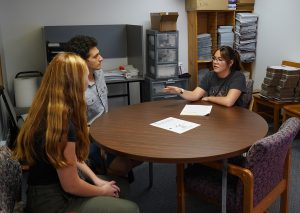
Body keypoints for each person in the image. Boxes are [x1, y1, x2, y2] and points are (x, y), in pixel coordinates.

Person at [13, 53, 139, 213]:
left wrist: (95, 179)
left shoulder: (48, 110)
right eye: (85, 74)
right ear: (73, 81)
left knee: (120, 186)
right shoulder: (62, 124)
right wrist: (102, 191)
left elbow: (71, 159)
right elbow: (71, 185)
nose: (88, 79)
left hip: (44, 191)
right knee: (131, 209)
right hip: (53, 202)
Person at [65, 35, 140, 178]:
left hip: (108, 129)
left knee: (141, 151)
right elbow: (75, 128)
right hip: (89, 138)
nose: (101, 58)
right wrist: (103, 137)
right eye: (96, 56)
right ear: (81, 62)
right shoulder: (73, 88)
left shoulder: (99, 73)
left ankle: (115, 173)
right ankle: (110, 175)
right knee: (122, 165)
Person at [163, 46, 247, 107]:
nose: (215, 62)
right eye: (214, 58)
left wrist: (209, 98)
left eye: (220, 60)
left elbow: (228, 102)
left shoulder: (238, 77)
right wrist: (179, 91)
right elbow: (195, 95)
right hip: (215, 114)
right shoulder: (210, 75)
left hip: (233, 118)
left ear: (230, 63)